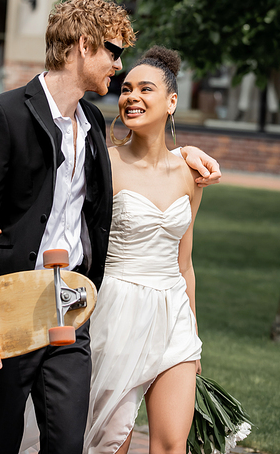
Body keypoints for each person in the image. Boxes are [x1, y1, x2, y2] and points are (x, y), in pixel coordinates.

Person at [0, 0, 221, 454]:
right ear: (83, 44)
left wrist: (185, 153)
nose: (117, 65)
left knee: (70, 444)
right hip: (11, 307)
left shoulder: (92, 123)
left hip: (73, 312)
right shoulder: (4, 114)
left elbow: (133, 181)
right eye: (113, 52)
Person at [85, 46, 203, 454]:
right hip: (116, 310)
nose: (131, 96)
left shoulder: (191, 173)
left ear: (172, 101)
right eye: (126, 88)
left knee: (172, 445)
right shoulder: (104, 163)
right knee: (110, 442)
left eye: (145, 89)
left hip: (173, 314)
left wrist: (194, 332)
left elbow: (184, 262)